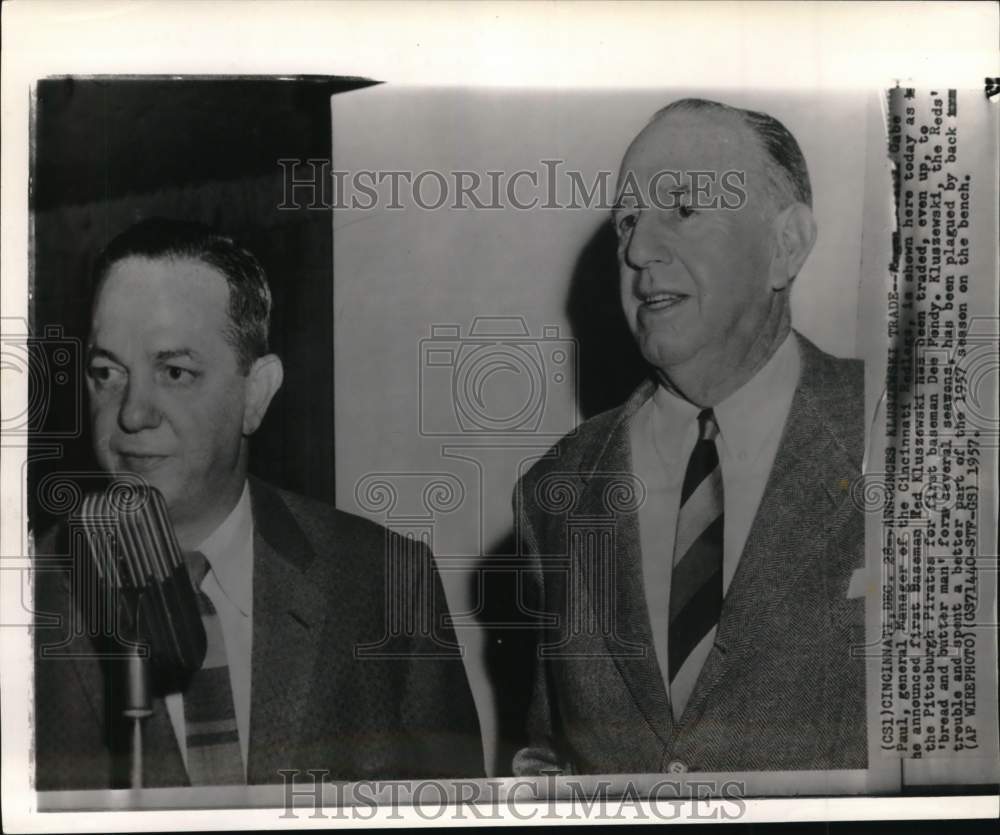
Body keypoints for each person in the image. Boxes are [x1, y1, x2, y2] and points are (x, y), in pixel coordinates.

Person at [34, 218, 483, 789]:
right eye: (107, 372)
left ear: (256, 393)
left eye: (174, 372)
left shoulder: (387, 581)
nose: (131, 413)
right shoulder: (24, 600)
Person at [513, 98, 866, 774]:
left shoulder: (909, 437)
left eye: (681, 208)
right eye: (628, 222)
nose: (638, 249)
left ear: (784, 247)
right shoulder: (557, 489)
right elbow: (552, 754)